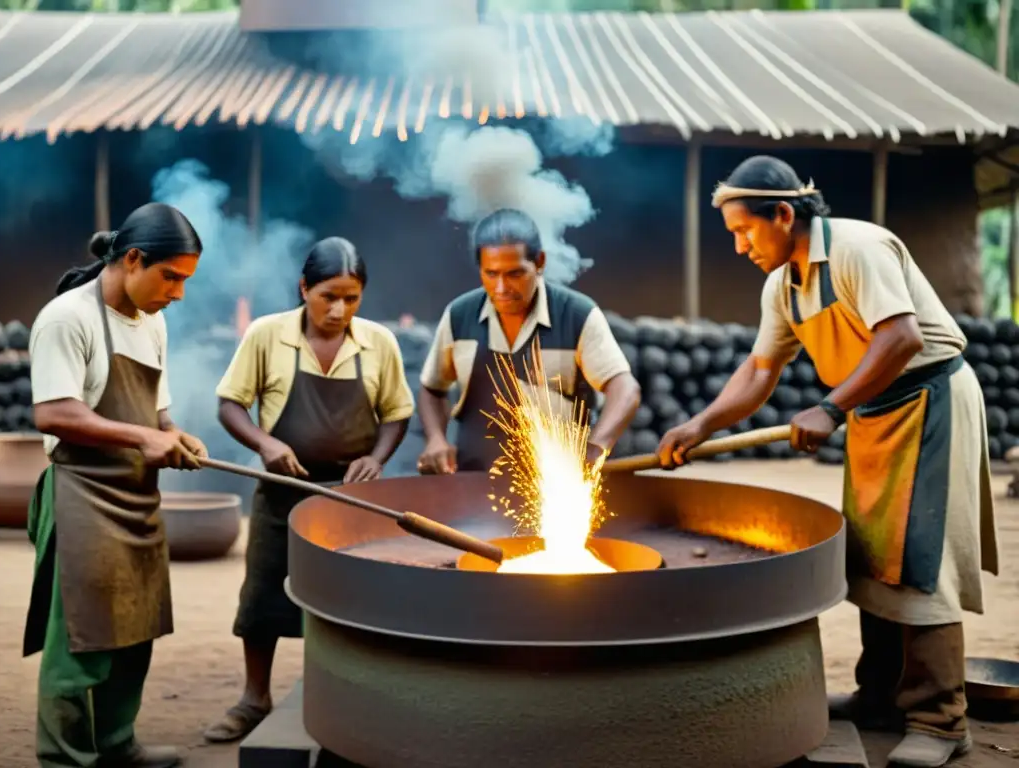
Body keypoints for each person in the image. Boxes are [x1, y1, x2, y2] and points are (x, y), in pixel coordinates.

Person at [657, 156, 998, 768]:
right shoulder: (783, 285)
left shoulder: (857, 249)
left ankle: (942, 720)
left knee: (921, 561)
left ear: (783, 214)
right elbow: (760, 371)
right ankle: (881, 699)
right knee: (870, 557)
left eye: (744, 231)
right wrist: (700, 424)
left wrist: (829, 409)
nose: (739, 246)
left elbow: (901, 338)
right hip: (871, 415)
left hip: (929, 401)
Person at [204, 237, 415, 742]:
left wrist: (376, 457)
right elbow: (231, 404)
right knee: (261, 599)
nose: (340, 310)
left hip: (350, 498)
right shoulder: (266, 334)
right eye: (328, 297)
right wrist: (265, 444)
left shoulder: (378, 342)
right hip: (283, 488)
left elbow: (398, 414)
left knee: (351, 602)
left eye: (352, 298)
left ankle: (349, 698)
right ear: (304, 288)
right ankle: (254, 699)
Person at [23, 203, 207, 768]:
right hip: (82, 495)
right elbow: (54, 414)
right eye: (170, 277)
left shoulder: (154, 321)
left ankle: (116, 744)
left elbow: (158, 414)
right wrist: (141, 437)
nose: (177, 293)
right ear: (132, 259)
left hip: (136, 497)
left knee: (134, 632)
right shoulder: (66, 318)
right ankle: (64, 758)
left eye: (185, 280)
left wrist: (175, 436)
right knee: (82, 641)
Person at [417, 208, 641, 474]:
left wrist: (596, 447)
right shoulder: (459, 315)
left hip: (559, 482)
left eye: (514, 274)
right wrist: (435, 438)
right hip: (474, 480)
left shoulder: (577, 314)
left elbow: (625, 388)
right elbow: (431, 389)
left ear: (540, 262)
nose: (501, 288)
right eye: (491, 274)